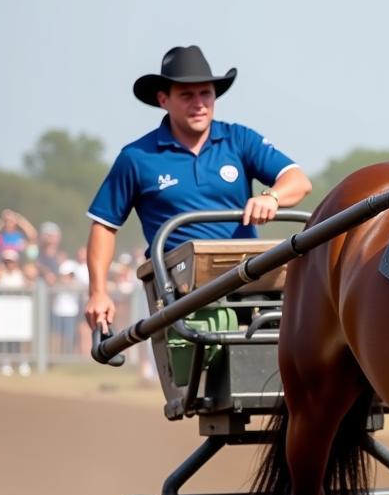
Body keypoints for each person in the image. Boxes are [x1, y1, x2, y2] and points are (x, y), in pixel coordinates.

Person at [84, 45, 312, 330]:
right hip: (179, 292)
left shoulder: (238, 139)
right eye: (187, 95)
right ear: (163, 99)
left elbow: (298, 181)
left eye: (206, 93)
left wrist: (272, 197)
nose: (199, 103)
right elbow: (104, 226)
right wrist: (98, 292)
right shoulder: (137, 157)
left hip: (251, 280)